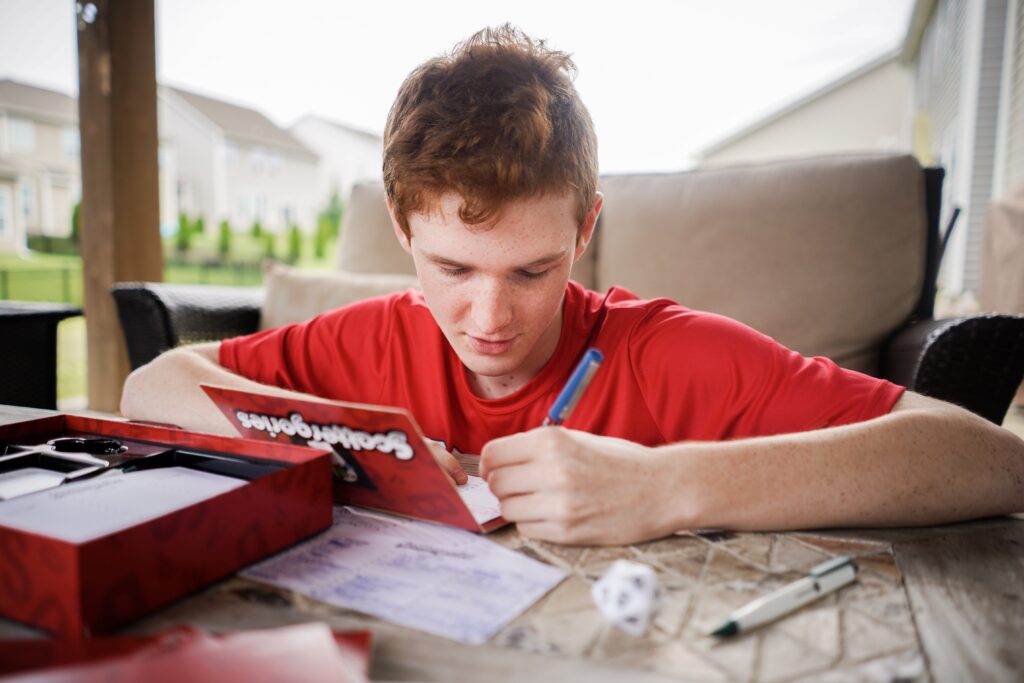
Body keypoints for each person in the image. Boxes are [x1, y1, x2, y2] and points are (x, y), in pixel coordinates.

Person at [121, 25, 1024, 546]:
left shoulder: (670, 353)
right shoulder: (367, 341)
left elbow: (991, 460)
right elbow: (149, 386)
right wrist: (362, 445)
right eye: (452, 268)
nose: (488, 317)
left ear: (585, 231)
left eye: (532, 269)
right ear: (403, 231)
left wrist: (669, 486)